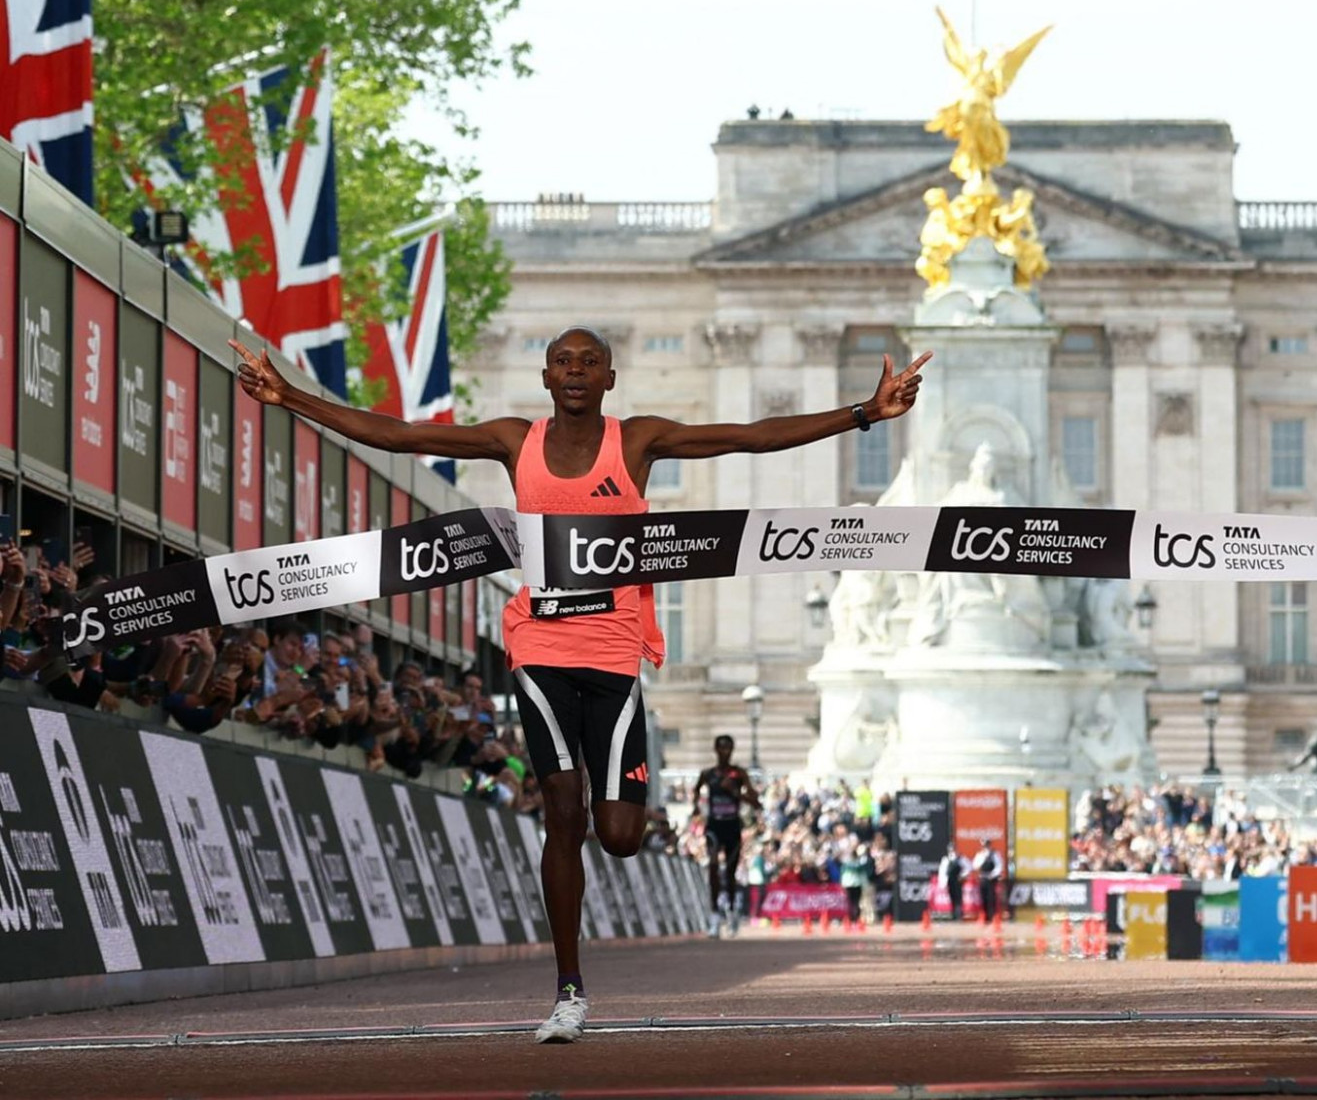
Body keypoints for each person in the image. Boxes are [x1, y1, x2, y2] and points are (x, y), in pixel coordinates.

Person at [232, 325, 930, 1042]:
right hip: (538, 645)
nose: (574, 371)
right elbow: (403, 435)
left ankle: (609, 835)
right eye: (562, 361)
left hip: (615, 652)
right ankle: (568, 988)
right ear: (545, 377)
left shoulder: (637, 442)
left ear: (609, 378)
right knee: (562, 812)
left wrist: (862, 414)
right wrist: (290, 396)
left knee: (619, 834)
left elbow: (747, 435)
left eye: (588, 362)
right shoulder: (513, 440)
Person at [693, 735, 759, 937]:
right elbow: (696, 791)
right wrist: (696, 809)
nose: (725, 751)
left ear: (732, 750)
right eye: (721, 747)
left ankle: (731, 912)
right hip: (714, 825)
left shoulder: (738, 774)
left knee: (730, 873)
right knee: (713, 867)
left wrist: (735, 792)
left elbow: (756, 802)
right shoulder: (708, 774)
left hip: (732, 826)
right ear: (715, 749)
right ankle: (714, 916)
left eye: (728, 748)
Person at [971, 838, 1002, 923]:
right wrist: (983, 858)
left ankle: (993, 916)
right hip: (983, 878)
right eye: (984, 845)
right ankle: (985, 916)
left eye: (987, 845)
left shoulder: (995, 854)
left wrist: (993, 874)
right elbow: (975, 865)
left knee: (991, 898)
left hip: (991, 879)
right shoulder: (980, 855)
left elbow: (999, 866)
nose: (986, 847)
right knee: (983, 897)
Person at [937, 842, 965, 921]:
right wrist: (942, 883)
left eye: (953, 849)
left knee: (958, 897)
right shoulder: (945, 859)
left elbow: (968, 868)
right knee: (952, 897)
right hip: (950, 880)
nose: (952, 851)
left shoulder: (960, 858)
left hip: (958, 880)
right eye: (950, 849)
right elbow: (942, 871)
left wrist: (962, 875)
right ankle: (953, 914)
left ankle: (959, 914)